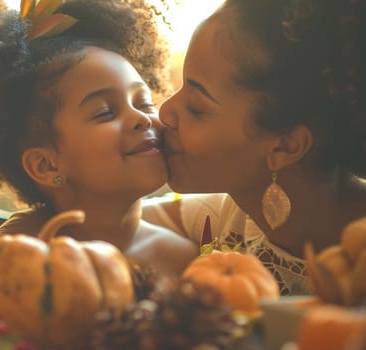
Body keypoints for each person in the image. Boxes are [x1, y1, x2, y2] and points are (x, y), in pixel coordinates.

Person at [0, 0, 198, 277]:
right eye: (105, 112)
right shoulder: (3, 263)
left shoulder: (184, 258)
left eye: (144, 102)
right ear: (45, 165)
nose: (141, 118)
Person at [143, 0, 366, 295]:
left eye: (196, 107)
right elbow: (124, 221)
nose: (166, 111)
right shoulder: (232, 215)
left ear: (285, 147)